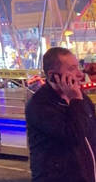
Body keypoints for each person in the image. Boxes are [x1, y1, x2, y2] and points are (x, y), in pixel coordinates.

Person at [26, 47, 96, 182]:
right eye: (72, 69)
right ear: (53, 75)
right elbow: (74, 135)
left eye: (78, 67)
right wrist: (75, 99)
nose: (79, 74)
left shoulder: (82, 99)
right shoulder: (40, 105)